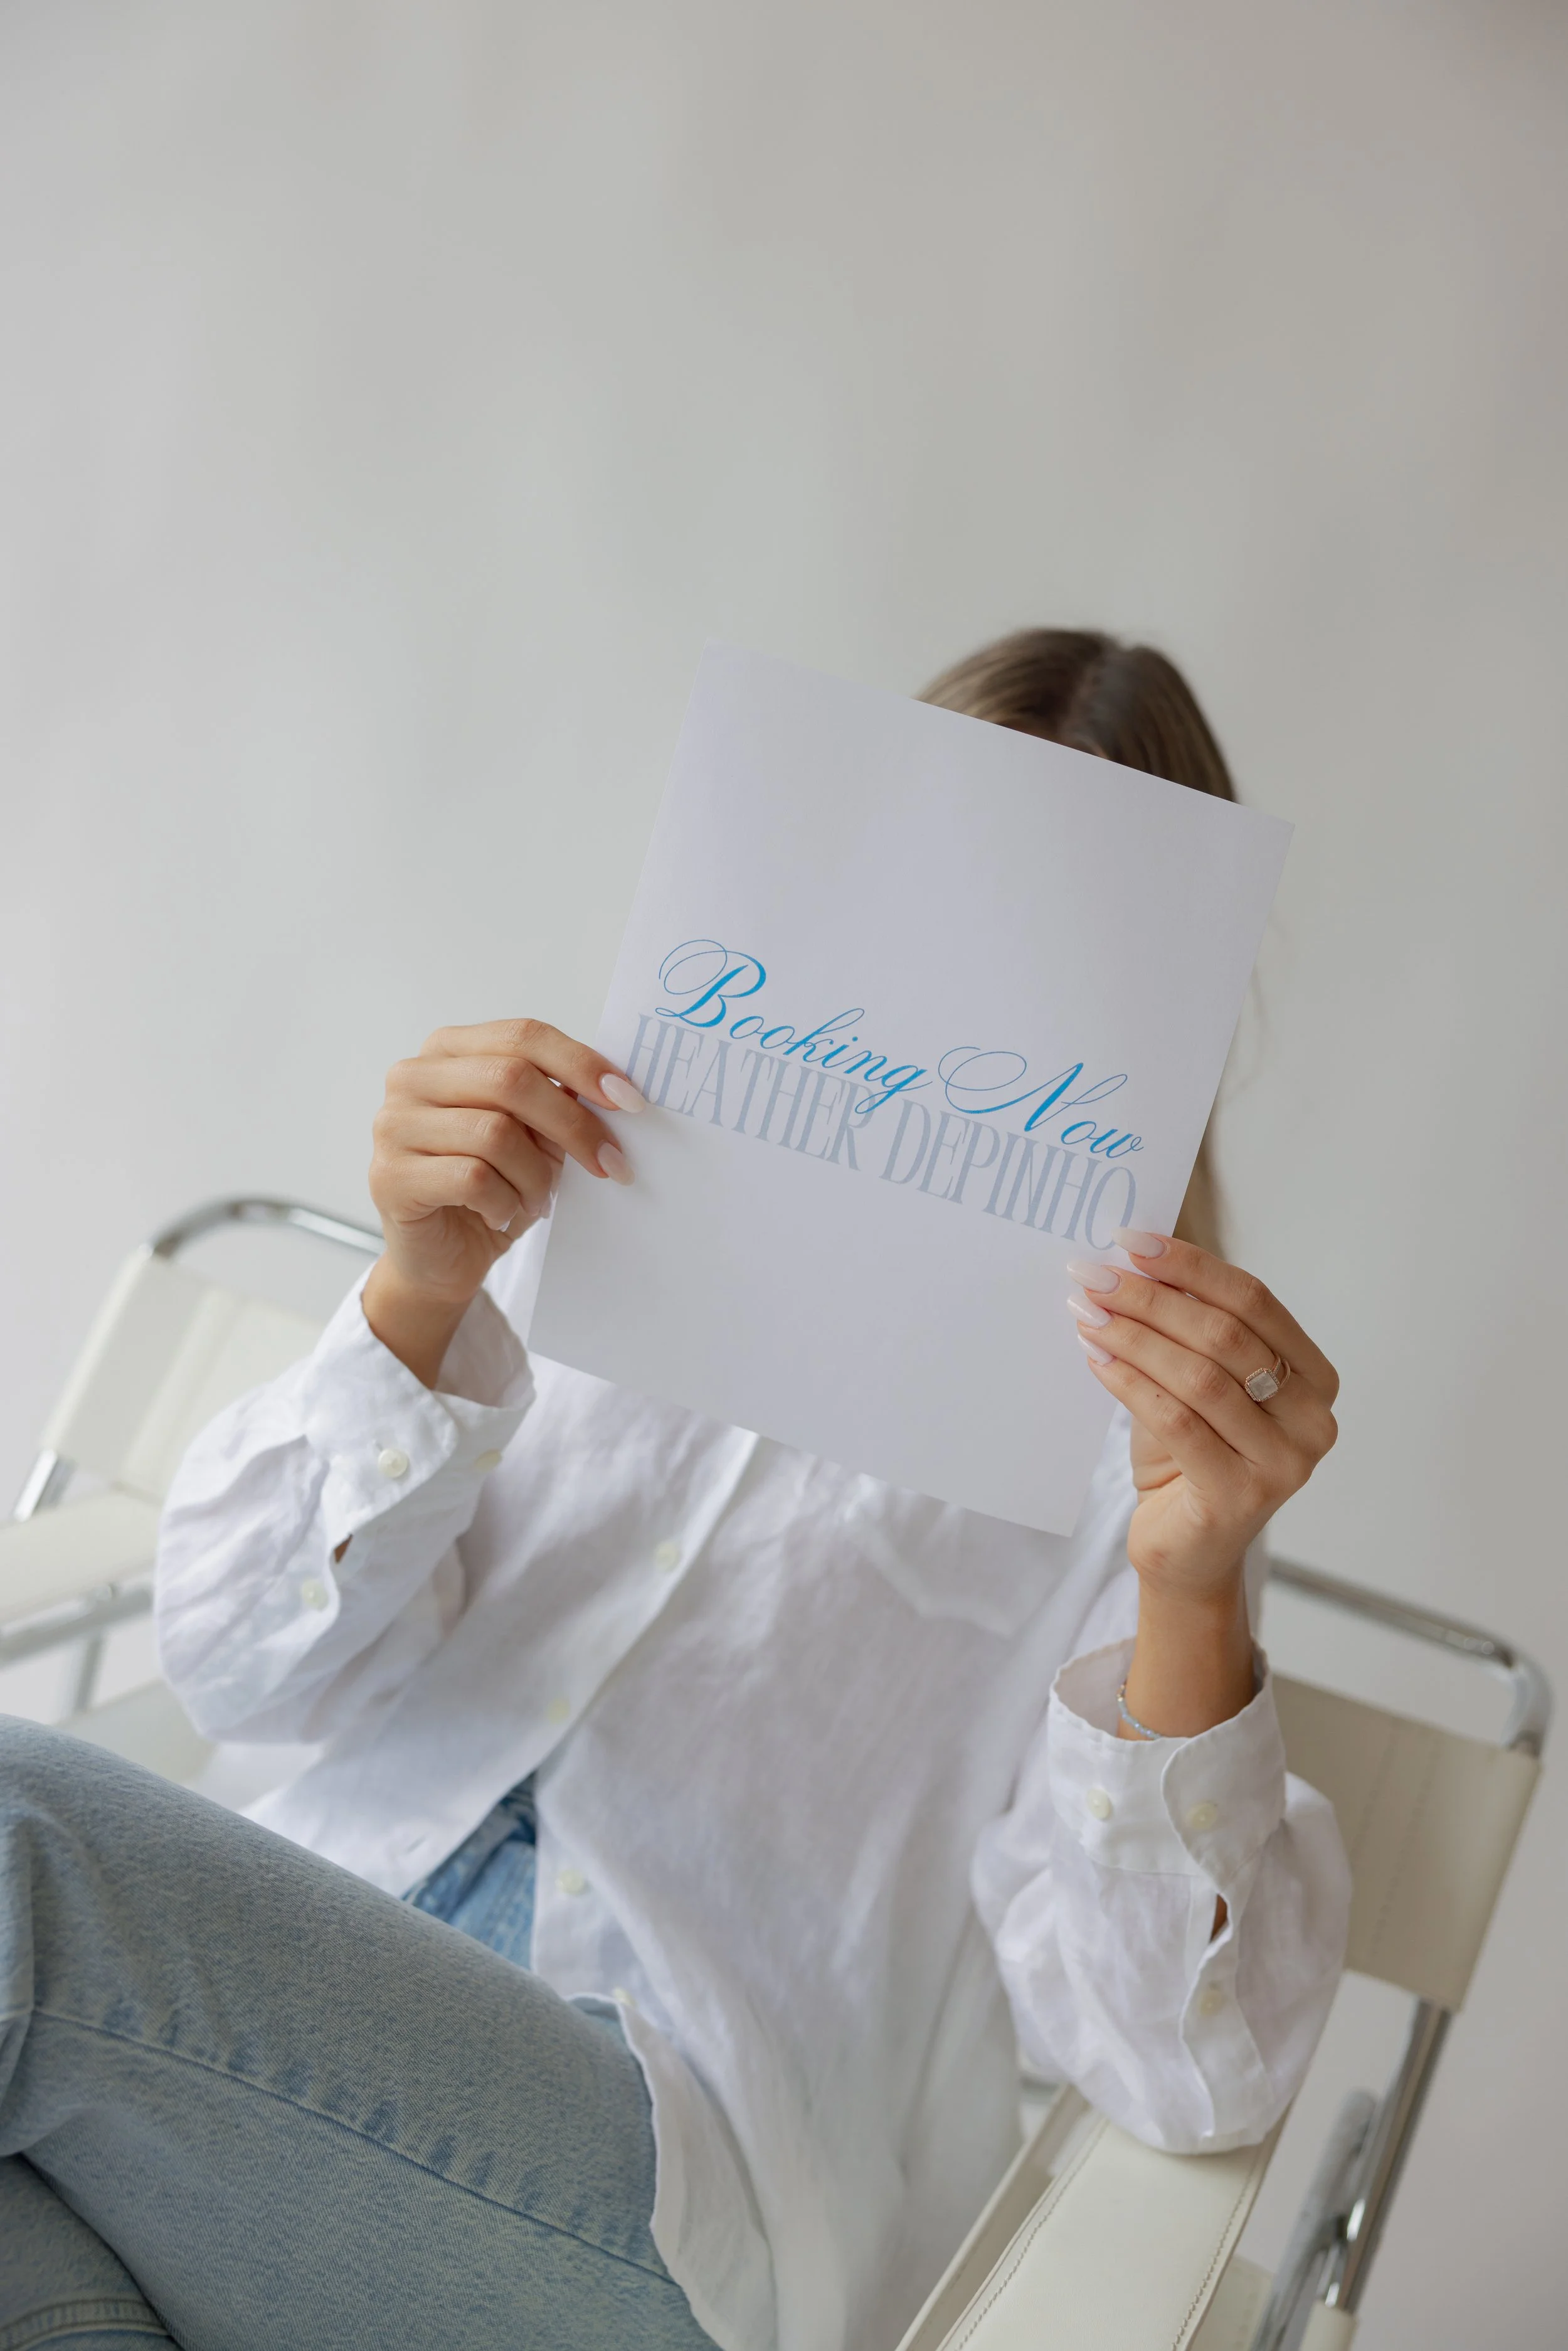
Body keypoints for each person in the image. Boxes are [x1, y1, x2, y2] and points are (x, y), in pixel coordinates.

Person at [0, 630, 1350, 2351]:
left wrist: (1187, 1583)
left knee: (12, 1842)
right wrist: (418, 1291)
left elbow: (1185, 2066)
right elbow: (240, 1669)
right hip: (258, 2040)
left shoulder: (1122, 1458)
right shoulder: (597, 1231)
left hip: (650, 2181)